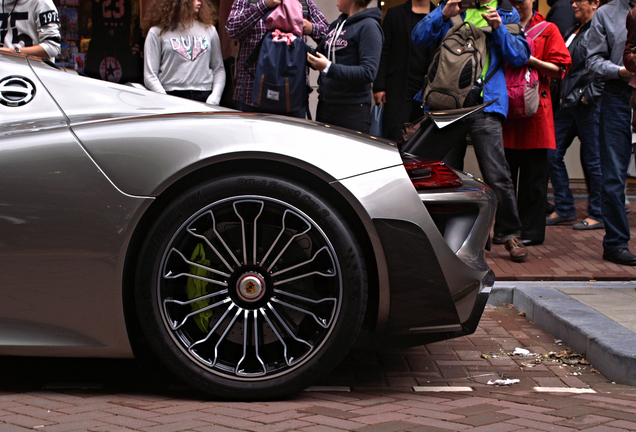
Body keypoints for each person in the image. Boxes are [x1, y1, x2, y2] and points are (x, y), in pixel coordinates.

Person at [412, 0, 531, 262]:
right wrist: (443, 14)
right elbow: (419, 38)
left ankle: (509, 233)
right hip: (447, 104)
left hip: (485, 104)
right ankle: (443, 236)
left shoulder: (504, 12)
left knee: (497, 173)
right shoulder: (452, 7)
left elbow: (520, 57)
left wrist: (498, 28)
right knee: (444, 174)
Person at [503, 0, 571, 246]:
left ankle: (531, 233)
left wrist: (529, 60)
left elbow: (560, 68)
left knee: (534, 180)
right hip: (506, 111)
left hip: (536, 112)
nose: (517, 4)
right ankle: (506, 230)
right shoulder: (501, 25)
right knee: (504, 177)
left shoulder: (548, 29)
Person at [586, 0, 636, 265]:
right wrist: (621, 71)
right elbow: (592, 60)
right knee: (614, 174)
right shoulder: (606, 13)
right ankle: (616, 243)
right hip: (617, 93)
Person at [547, 0, 604, 231]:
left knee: (594, 161)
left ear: (595, 3)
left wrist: (588, 95)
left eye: (578, 0)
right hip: (567, 104)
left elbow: (603, 65)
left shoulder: (599, 29)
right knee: (551, 153)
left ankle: (598, 213)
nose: (573, 4)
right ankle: (564, 207)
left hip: (587, 105)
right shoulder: (574, 29)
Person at [226, 0, 328, 115]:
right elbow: (232, 28)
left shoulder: (304, 2)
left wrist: (312, 28)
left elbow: (329, 37)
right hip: (251, 98)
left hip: (292, 99)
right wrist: (264, 5)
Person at [306, 0, 383, 133]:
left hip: (352, 111)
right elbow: (317, 57)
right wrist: (292, 41)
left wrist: (328, 67)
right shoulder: (336, 25)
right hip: (325, 106)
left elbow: (368, 72)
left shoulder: (369, 26)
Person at [372, 0, 436, 142]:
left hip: (428, 87)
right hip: (398, 85)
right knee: (395, 135)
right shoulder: (395, 14)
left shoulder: (439, 15)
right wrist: (379, 86)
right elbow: (384, 51)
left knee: (424, 139)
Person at [143, 0, 226, 105]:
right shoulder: (157, 32)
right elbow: (150, 75)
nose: (199, 1)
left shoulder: (209, 30)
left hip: (204, 95)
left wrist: (215, 97)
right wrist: (164, 98)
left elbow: (218, 68)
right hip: (171, 93)